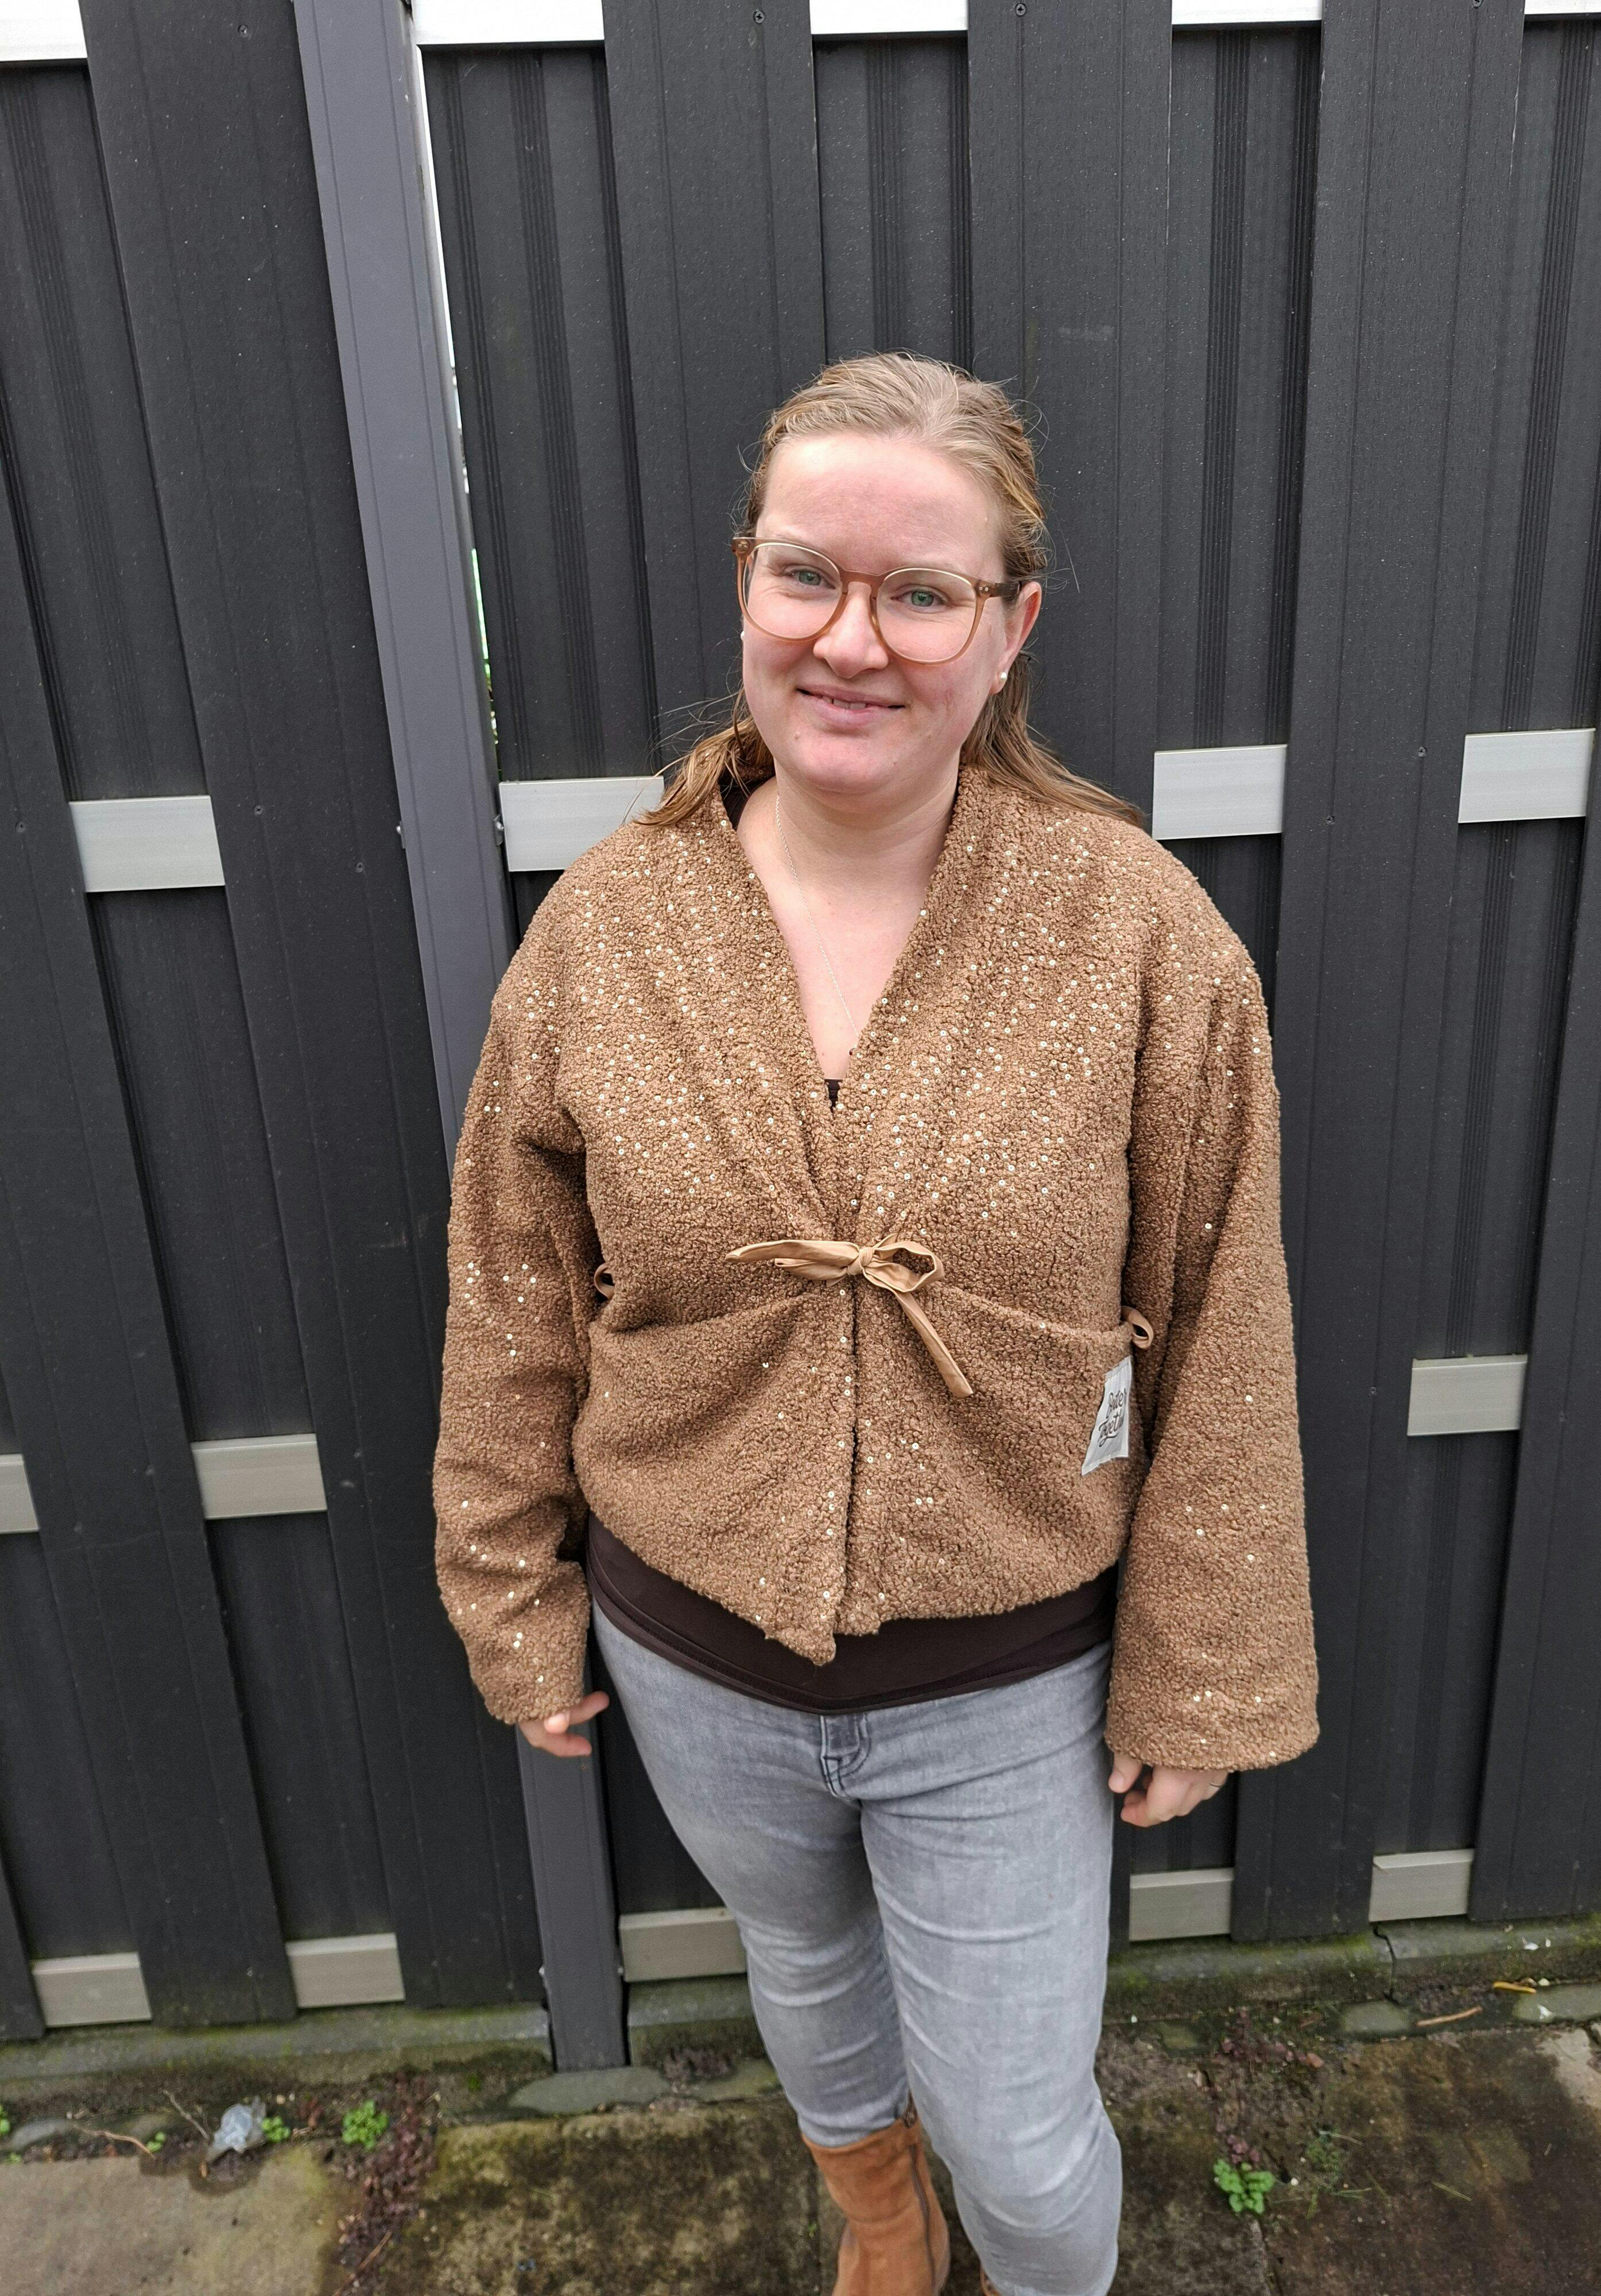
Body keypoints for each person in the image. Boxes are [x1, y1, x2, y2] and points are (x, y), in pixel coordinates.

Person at [433, 350, 1319, 2296]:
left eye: (921, 592)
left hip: (1007, 1685)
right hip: (692, 1650)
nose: (852, 640)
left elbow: (1220, 1314)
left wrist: (1205, 1670)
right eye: (807, 575)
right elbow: (512, 1296)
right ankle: (877, 2220)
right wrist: (511, 1595)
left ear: (1009, 628)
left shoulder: (1135, 936)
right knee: (806, 1972)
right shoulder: (608, 931)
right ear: (747, 580)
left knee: (1023, 2134)